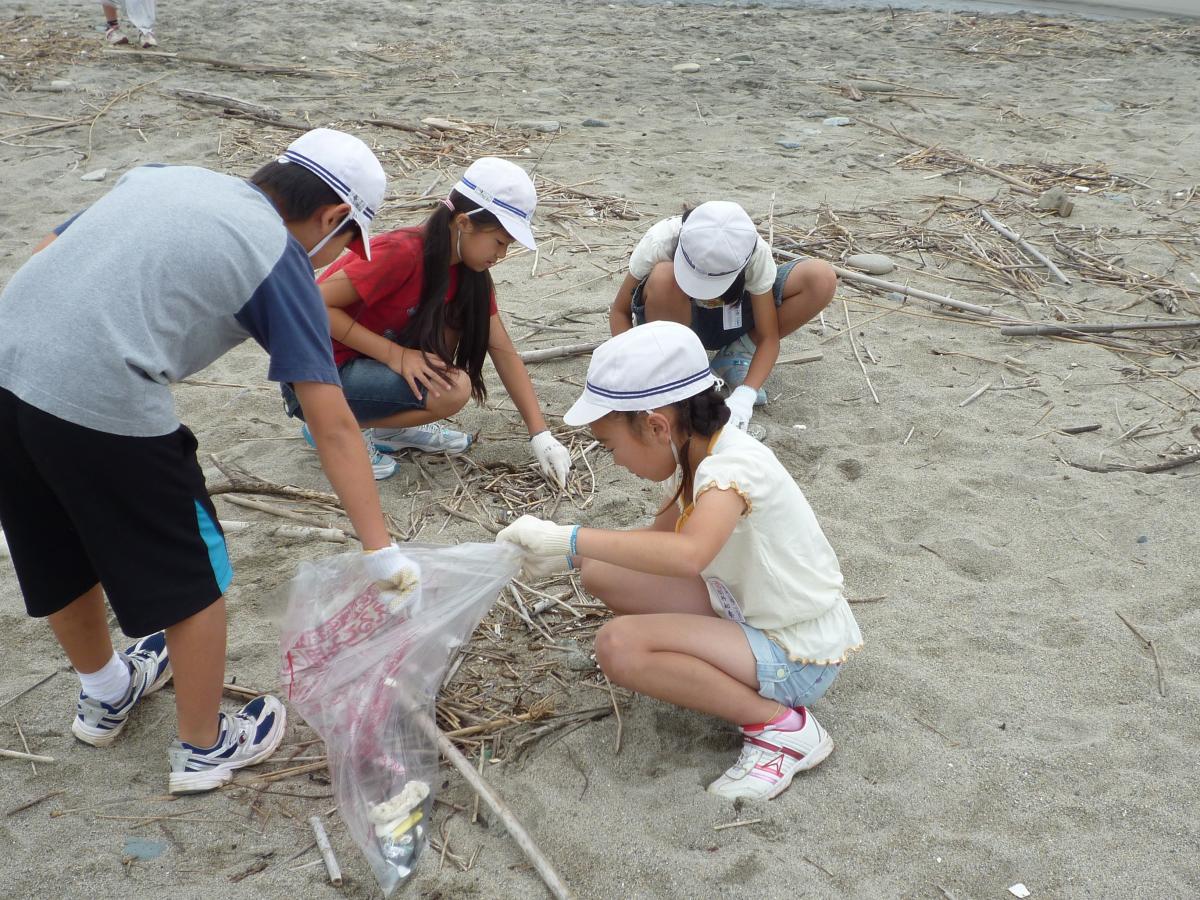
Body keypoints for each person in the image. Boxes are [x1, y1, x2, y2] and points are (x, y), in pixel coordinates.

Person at [0, 128, 410, 794]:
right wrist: (379, 549)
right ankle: (203, 749)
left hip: (7, 366)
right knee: (195, 567)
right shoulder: (281, 256)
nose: (336, 256)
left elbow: (53, 249)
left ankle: (106, 692)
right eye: (344, 243)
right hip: (105, 392)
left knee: (56, 544)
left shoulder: (164, 173)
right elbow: (330, 420)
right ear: (334, 218)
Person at [495, 321, 862, 800]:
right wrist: (566, 556)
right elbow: (654, 544)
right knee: (601, 570)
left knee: (620, 647)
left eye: (611, 446)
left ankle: (782, 728)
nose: (616, 460)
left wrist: (569, 538)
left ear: (655, 425)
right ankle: (716, 674)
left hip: (795, 651)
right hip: (746, 608)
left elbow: (687, 555)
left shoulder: (730, 468)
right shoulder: (696, 451)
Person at [282, 156, 572, 486]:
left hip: (363, 364)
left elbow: (502, 349)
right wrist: (396, 355)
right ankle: (329, 428)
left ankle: (391, 430)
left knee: (450, 355)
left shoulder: (468, 273)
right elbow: (310, 305)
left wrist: (540, 434)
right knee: (455, 388)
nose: (501, 255)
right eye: (500, 242)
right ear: (464, 223)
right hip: (315, 375)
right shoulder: (402, 251)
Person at [608, 201, 837, 431]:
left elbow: (769, 337)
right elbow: (619, 311)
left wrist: (745, 396)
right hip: (673, 322)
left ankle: (735, 354)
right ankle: (673, 375)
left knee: (821, 278)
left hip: (732, 322)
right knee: (664, 277)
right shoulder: (661, 239)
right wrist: (636, 369)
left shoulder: (753, 252)